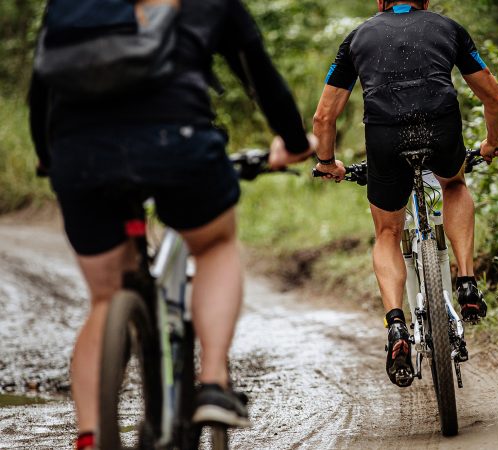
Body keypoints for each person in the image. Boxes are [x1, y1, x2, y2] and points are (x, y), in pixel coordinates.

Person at [28, 1, 315, 448]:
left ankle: (90, 436)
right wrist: (294, 142)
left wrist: (51, 158)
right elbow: (261, 77)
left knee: (105, 297)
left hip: (79, 153)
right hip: (177, 140)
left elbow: (41, 89)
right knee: (214, 245)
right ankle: (213, 381)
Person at [311, 0, 498, 387]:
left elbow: (323, 117)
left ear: (380, 2)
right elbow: (495, 98)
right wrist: (493, 142)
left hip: (384, 137)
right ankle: (467, 281)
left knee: (387, 231)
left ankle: (396, 325)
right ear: (426, 1)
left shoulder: (357, 38)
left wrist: (327, 162)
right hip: (440, 128)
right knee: (453, 184)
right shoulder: (448, 29)